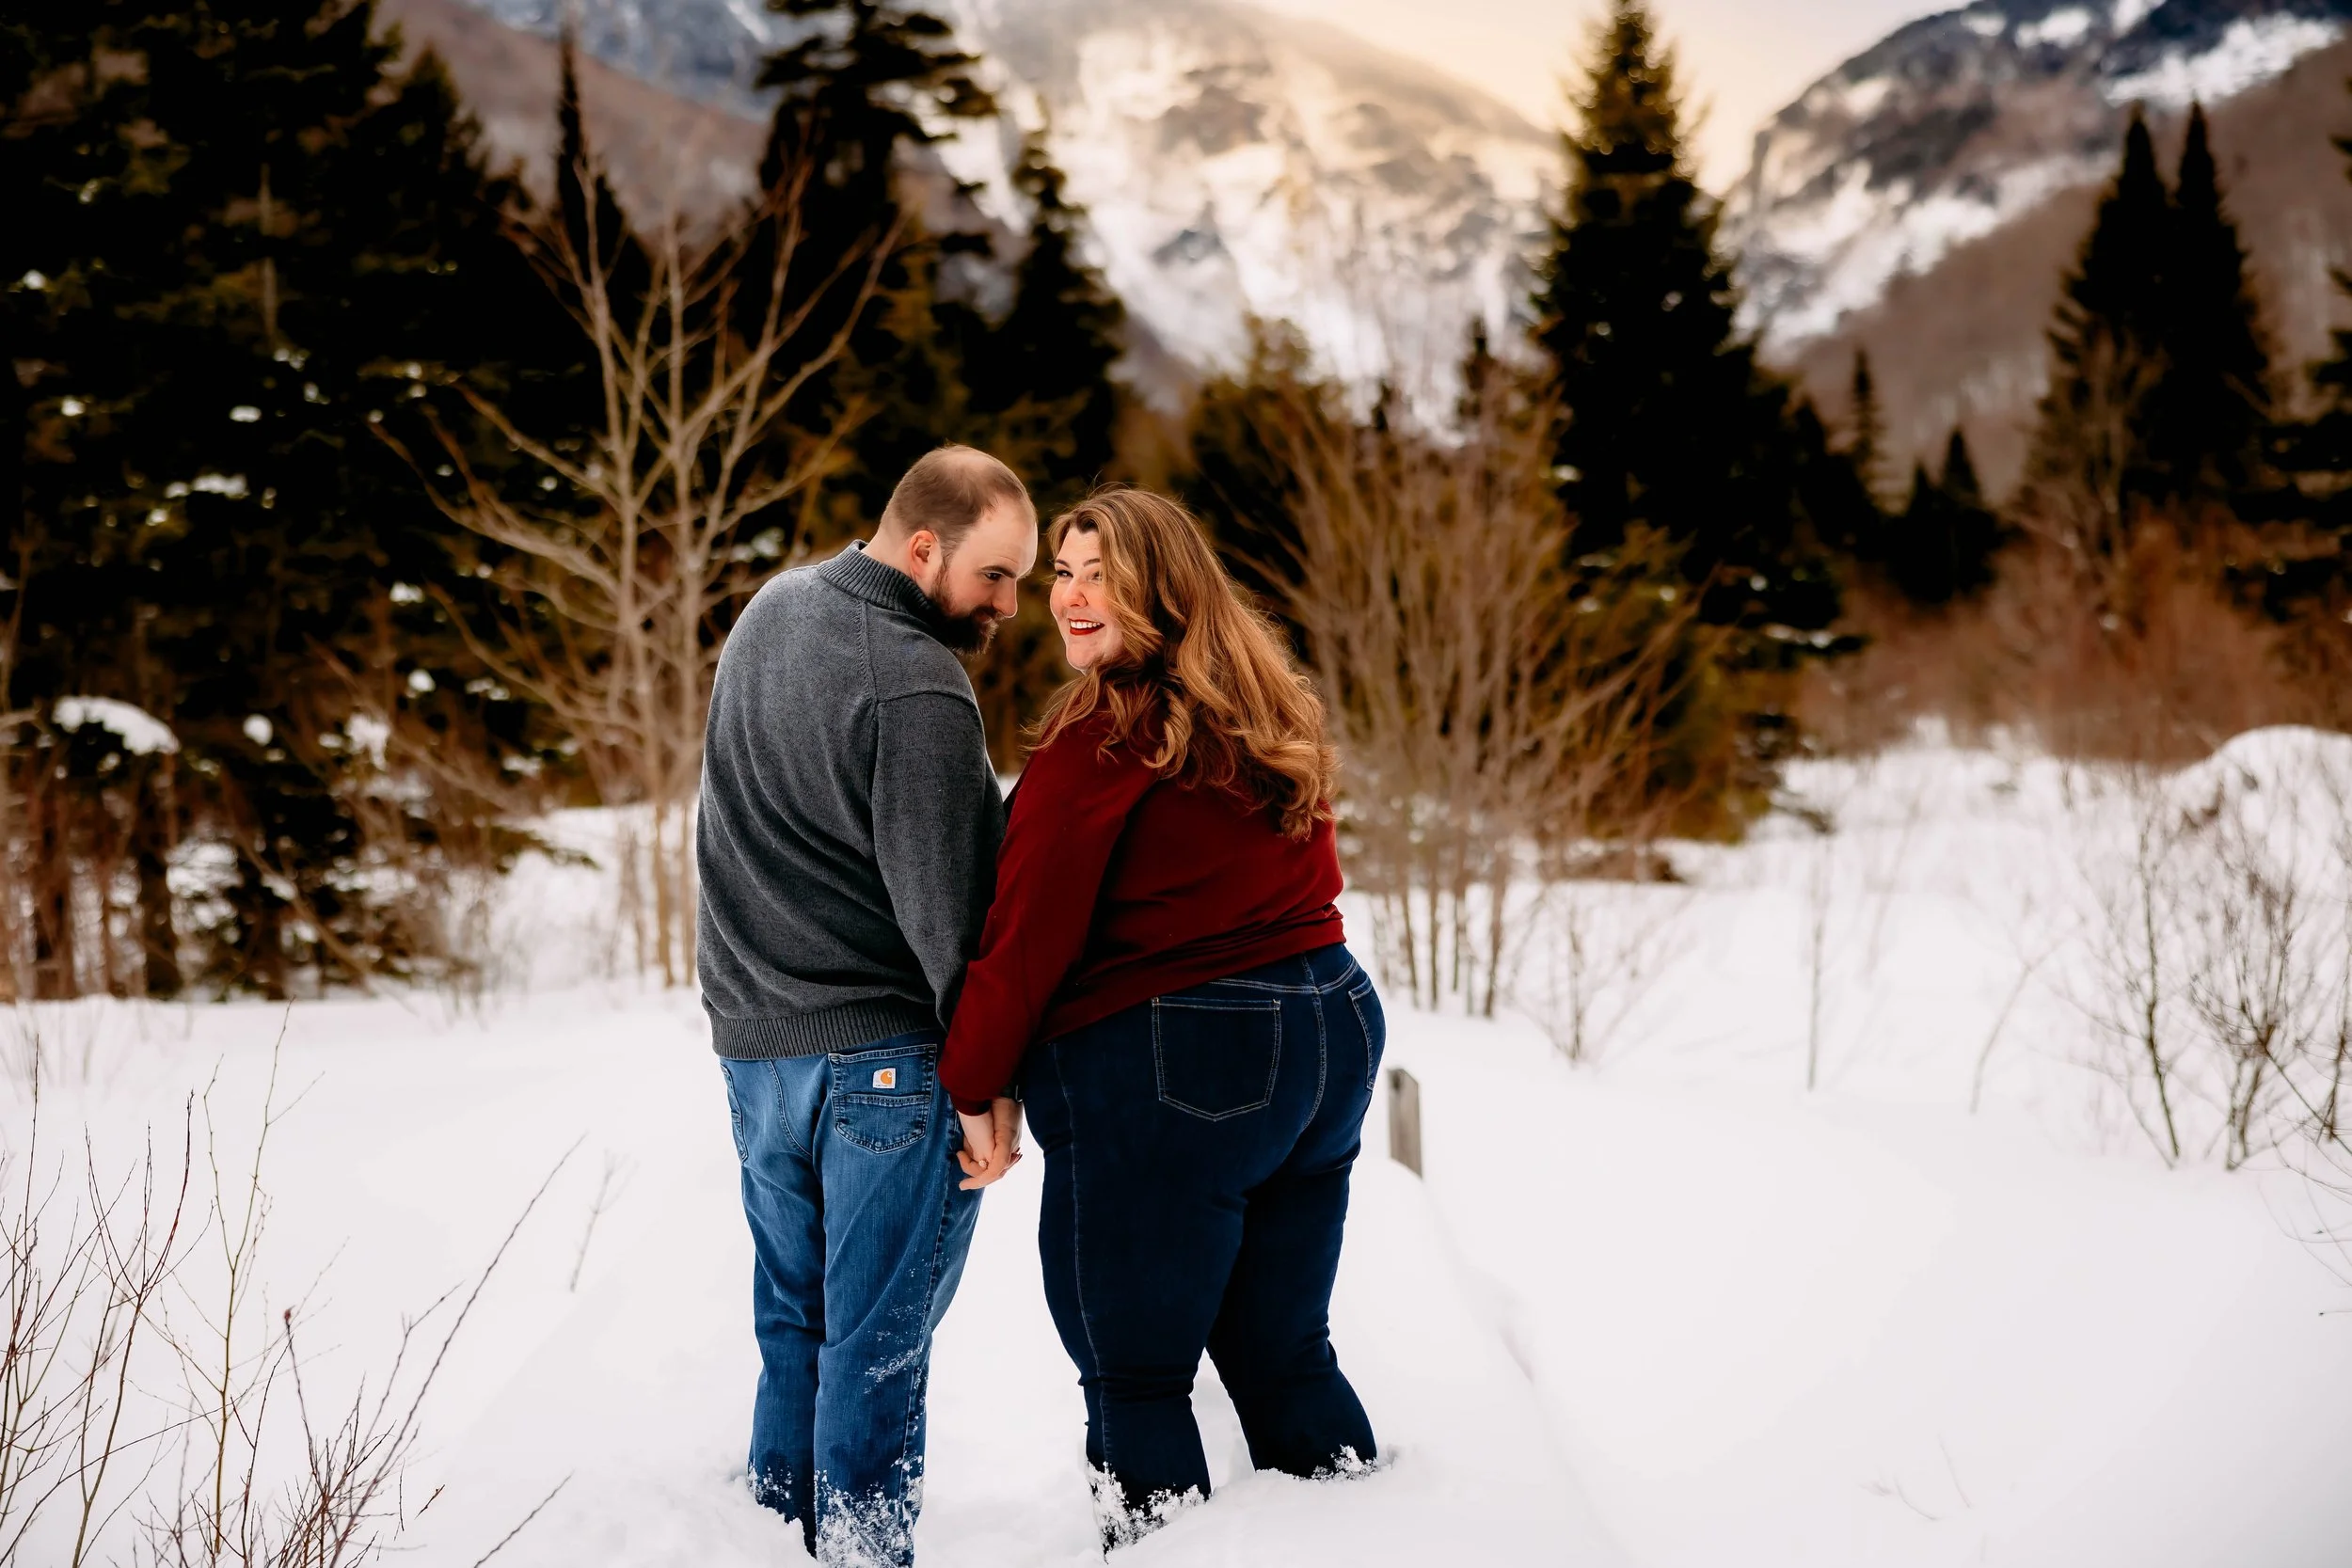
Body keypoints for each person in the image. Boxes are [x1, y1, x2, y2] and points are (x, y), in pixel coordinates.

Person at [945, 487, 1383, 1544]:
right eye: (1062, 571)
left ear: (1163, 589)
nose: (1072, 597)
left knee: (1136, 1377)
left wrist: (974, 1081)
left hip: (1183, 1062)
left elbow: (1025, 932)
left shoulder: (1106, 737)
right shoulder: (1267, 705)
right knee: (1286, 1354)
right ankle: (1372, 1536)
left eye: (1104, 575)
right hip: (1329, 1030)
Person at [697, 444, 1033, 1566]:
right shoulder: (917, 682)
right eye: (994, 575)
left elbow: (724, 830)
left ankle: (769, 1538)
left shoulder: (768, 611)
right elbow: (957, 920)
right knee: (876, 1346)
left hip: (756, 1050)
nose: (1010, 605)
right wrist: (986, 1085)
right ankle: (857, 1554)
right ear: (923, 545)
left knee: (796, 1323)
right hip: (881, 1065)